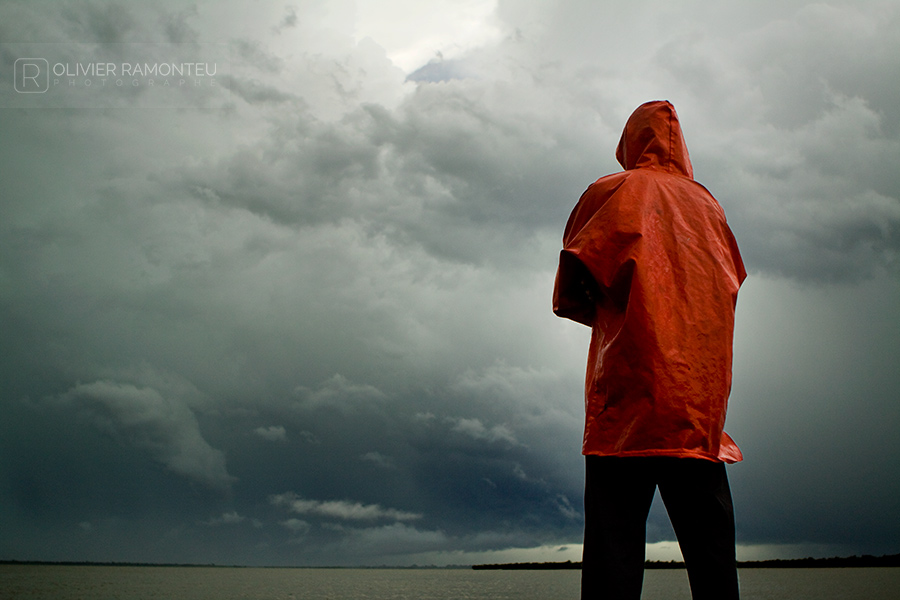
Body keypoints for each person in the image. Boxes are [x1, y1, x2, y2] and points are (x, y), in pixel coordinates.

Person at [553, 100, 746, 600]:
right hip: (696, 407)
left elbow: (568, 294)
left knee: (612, 556)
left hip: (627, 400)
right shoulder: (709, 206)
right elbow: (731, 283)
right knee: (713, 558)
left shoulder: (610, 192)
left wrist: (620, 307)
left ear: (630, 142)